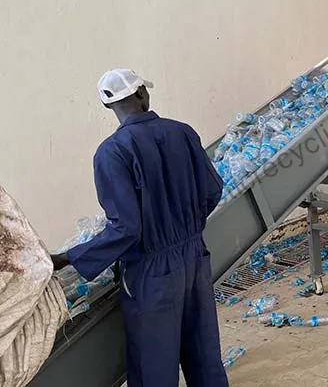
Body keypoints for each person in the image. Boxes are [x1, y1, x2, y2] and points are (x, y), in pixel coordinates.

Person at [50, 69, 228, 387]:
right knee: (205, 357)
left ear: (108, 107)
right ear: (143, 94)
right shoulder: (183, 133)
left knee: (153, 367)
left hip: (151, 273)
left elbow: (126, 228)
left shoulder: (112, 152)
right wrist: (185, 226)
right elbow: (213, 190)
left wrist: (69, 257)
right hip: (194, 258)